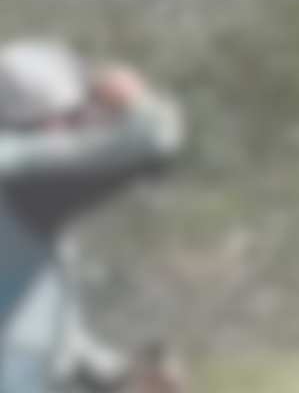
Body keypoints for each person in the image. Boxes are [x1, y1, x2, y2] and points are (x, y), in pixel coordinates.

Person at [0, 39, 185, 393]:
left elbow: (38, 328)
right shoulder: (20, 176)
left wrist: (124, 374)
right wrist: (129, 95)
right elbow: (152, 139)